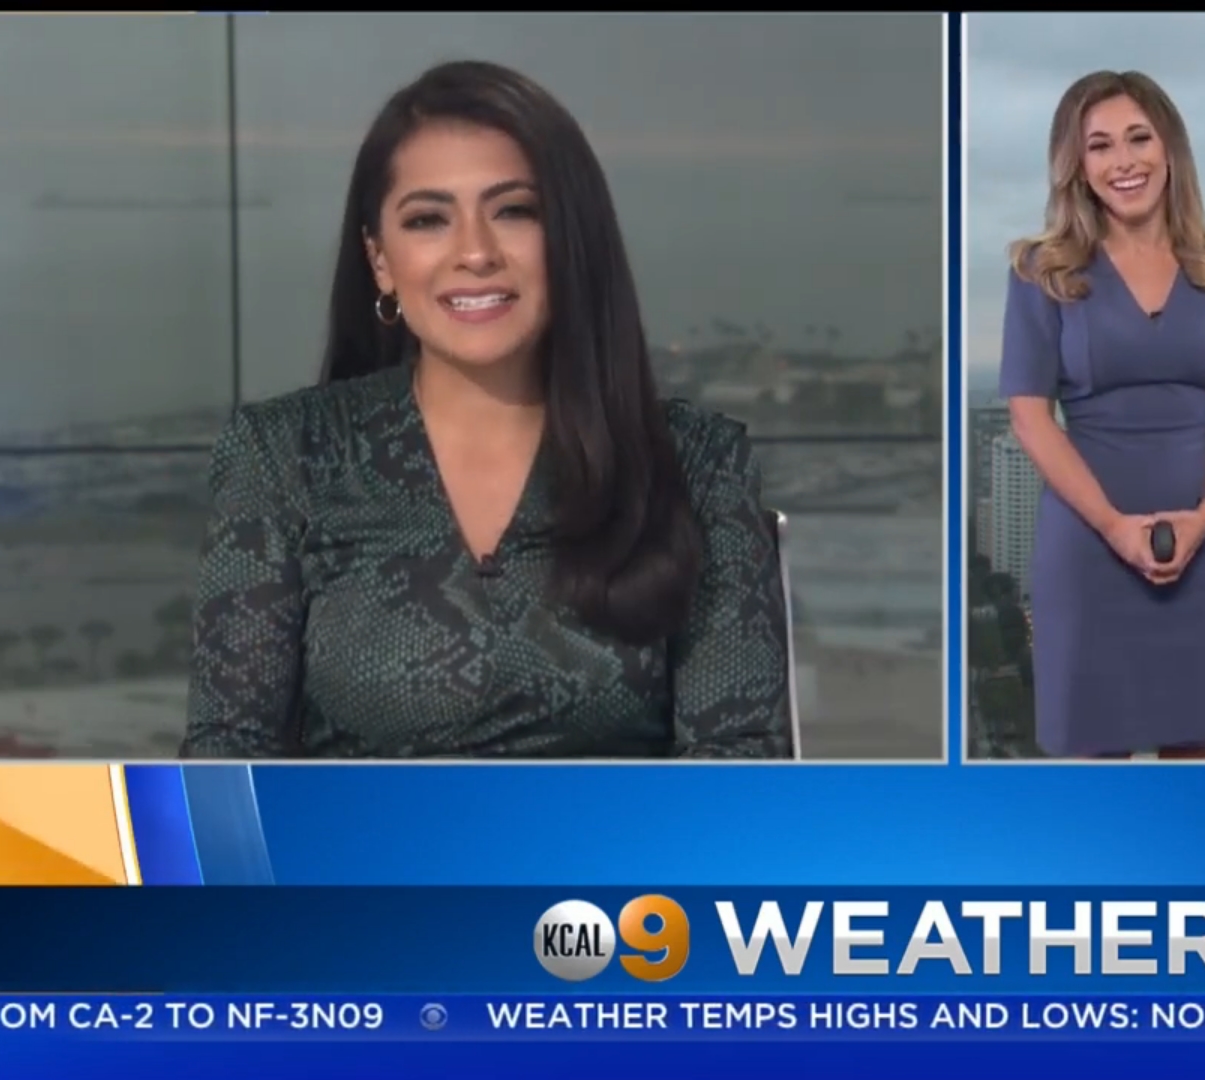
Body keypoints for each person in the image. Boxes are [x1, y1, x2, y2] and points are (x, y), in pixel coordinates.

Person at [180, 60, 793, 759]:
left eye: (514, 211)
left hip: (621, 837)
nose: (475, 252)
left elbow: (737, 762)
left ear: (570, 239)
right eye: (428, 220)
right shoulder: (284, 454)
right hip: (360, 837)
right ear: (381, 261)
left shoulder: (696, 464)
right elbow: (228, 754)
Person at [998, 70, 1205, 760]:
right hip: (1089, 547)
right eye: (1100, 146)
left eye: (1139, 138)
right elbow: (1030, 418)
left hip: (1204, 542)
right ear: (1078, 167)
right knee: (1093, 776)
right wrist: (1116, 528)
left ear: (1170, 148)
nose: (1124, 161)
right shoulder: (1040, 272)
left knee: (1195, 761)